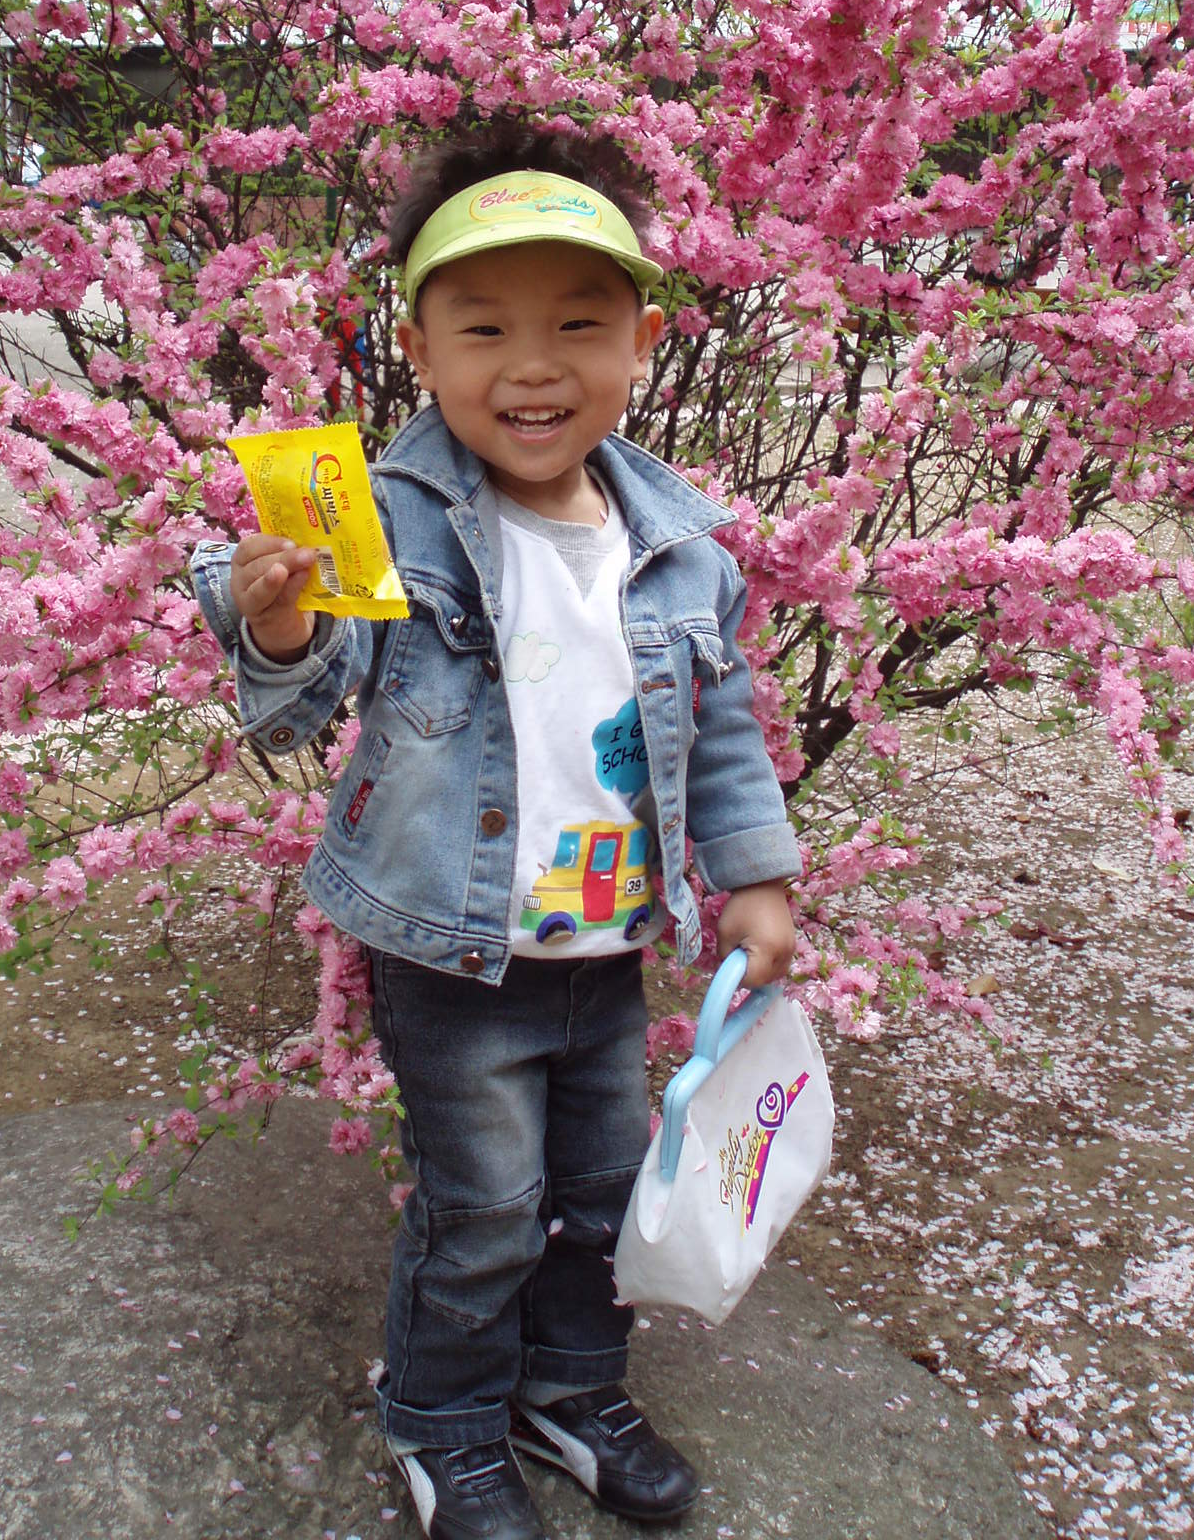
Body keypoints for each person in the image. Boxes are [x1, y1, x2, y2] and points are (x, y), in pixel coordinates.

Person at [189, 124, 800, 1540]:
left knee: (602, 1192)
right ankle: (447, 1418)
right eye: (484, 329)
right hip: (454, 953)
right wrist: (279, 620)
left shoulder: (680, 549)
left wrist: (756, 879)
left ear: (644, 341)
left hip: (607, 952)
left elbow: (720, 727)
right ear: (418, 347)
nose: (533, 367)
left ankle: (572, 1389)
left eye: (578, 325)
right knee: (483, 1208)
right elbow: (306, 697)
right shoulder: (393, 526)